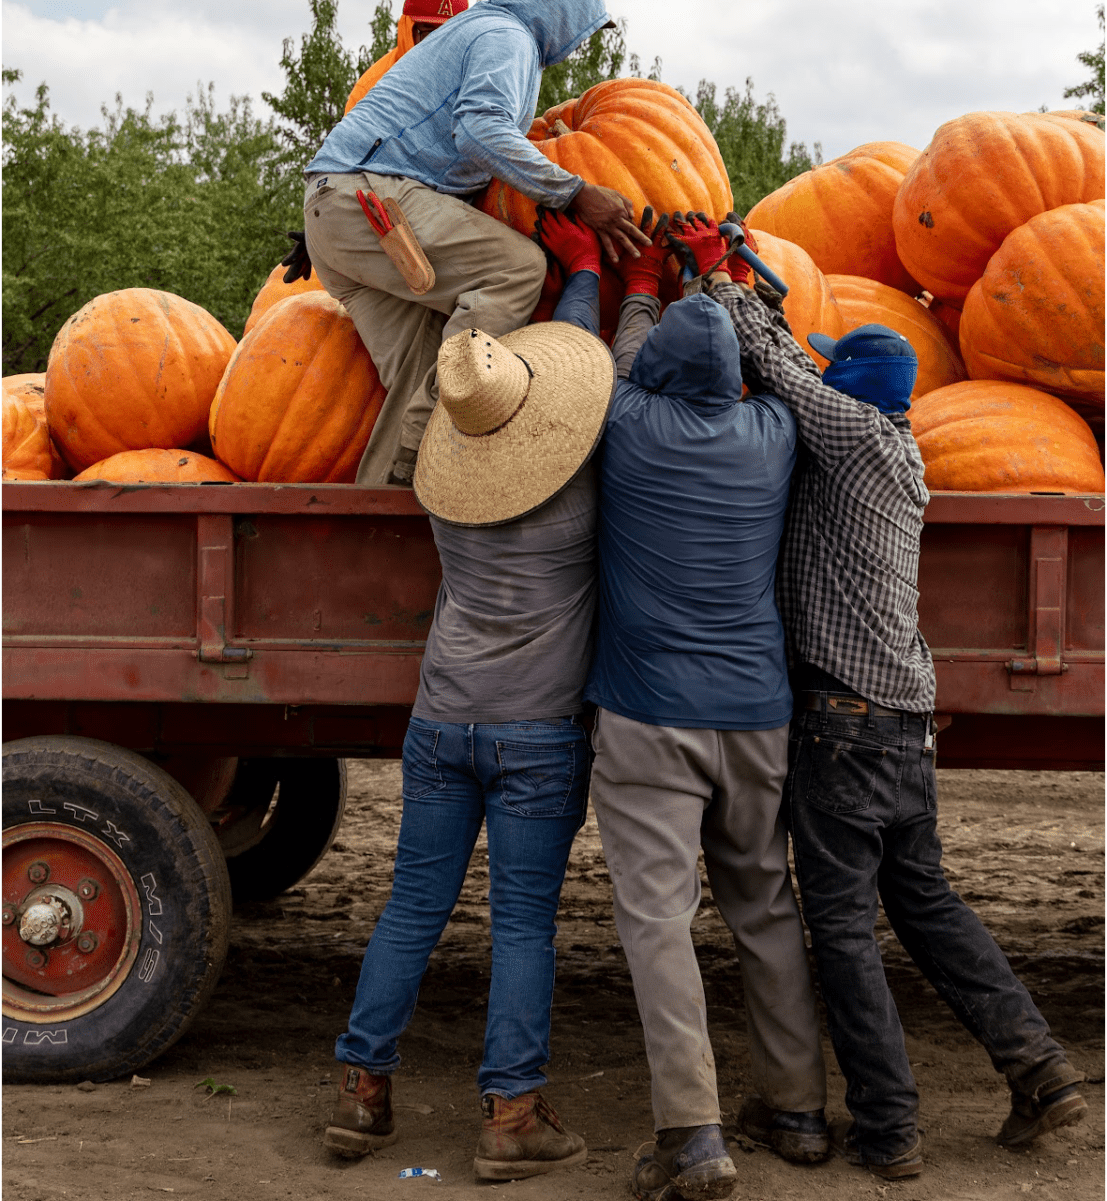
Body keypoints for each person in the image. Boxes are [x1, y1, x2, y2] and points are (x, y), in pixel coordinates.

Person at [706, 253, 1088, 1182]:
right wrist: (763, 295)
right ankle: (1037, 1067)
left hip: (842, 730)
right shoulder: (890, 453)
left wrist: (717, 283)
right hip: (902, 725)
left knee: (840, 931)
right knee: (924, 903)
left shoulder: (858, 440)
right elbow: (801, 362)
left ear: (851, 395)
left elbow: (787, 370)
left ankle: (889, 1128)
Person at [535, 210, 829, 1201]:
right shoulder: (773, 431)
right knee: (764, 901)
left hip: (649, 716)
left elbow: (612, 360)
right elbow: (784, 364)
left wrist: (647, 288)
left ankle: (693, 1138)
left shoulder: (623, 420)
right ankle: (796, 1108)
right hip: (757, 713)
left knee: (658, 921)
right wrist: (724, 280)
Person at [323, 287, 617, 1182]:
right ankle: (509, 1117)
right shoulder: (578, 503)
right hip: (534, 734)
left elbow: (460, 395)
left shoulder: (448, 504)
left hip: (440, 721)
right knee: (522, 924)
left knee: (411, 907)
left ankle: (359, 1098)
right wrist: (592, 287)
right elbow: (605, 402)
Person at [299, 0, 650, 486]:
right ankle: (430, 452)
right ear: (560, 7)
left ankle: (382, 515)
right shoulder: (506, 35)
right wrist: (576, 192)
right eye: (583, 25)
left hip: (336, 212)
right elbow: (480, 130)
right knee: (517, 269)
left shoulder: (480, 30)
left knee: (421, 372)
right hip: (369, 199)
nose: (581, 43)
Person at [343, 0, 469, 113]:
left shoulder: (479, 79)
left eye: (449, 34)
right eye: (430, 34)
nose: (439, 45)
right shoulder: (370, 89)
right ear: (408, 30)